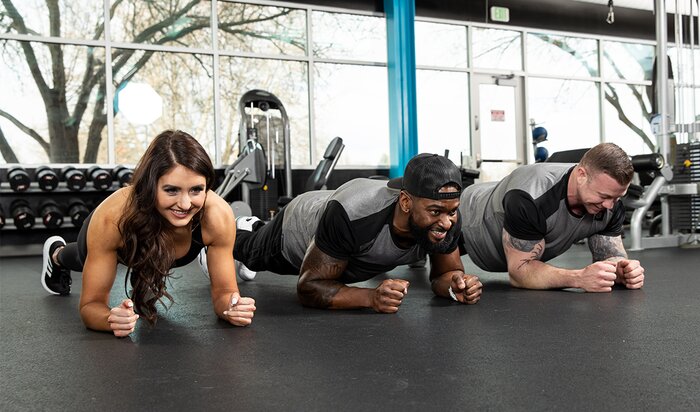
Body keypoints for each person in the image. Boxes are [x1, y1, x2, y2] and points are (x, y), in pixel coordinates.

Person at [41, 130, 256, 337]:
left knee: (150, 272)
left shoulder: (217, 216)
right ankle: (56, 254)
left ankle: (144, 275)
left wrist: (232, 307)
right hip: (123, 246)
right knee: (80, 258)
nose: (185, 204)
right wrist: (110, 318)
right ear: (150, 186)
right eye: (171, 190)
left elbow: (224, 293)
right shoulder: (113, 218)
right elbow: (91, 305)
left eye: (196, 190)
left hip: (159, 251)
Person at [204, 153, 483, 312]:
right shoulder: (353, 214)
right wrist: (370, 298)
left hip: (344, 244)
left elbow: (442, 276)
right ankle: (234, 233)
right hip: (299, 229)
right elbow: (309, 288)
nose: (446, 222)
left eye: (452, 211)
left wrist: (457, 284)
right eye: (435, 212)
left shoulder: (446, 217)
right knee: (251, 254)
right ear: (406, 202)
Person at [458, 142, 645, 292]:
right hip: (470, 217)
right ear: (581, 175)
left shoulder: (611, 203)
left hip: (501, 203)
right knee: (437, 261)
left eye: (616, 197)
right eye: (603, 196)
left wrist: (621, 270)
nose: (609, 205)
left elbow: (610, 256)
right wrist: (579, 278)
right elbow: (520, 272)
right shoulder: (530, 197)